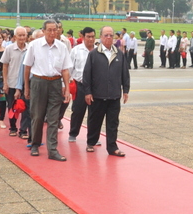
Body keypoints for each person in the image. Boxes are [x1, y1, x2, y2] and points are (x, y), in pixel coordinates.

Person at [23, 20, 71, 161]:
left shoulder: (62, 47)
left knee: (53, 118)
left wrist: (67, 88)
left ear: (58, 31)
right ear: (43, 31)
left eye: (54, 30)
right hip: (38, 82)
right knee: (37, 116)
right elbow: (27, 67)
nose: (52, 33)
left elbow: (65, 69)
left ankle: (53, 150)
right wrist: (27, 87)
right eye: (49, 30)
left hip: (55, 83)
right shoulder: (34, 45)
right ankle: (35, 144)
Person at [82, 26, 130, 156]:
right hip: (97, 95)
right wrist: (88, 92)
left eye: (111, 35)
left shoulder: (119, 54)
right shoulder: (93, 54)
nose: (109, 37)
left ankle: (112, 147)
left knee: (113, 123)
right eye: (106, 35)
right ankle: (91, 142)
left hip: (114, 96)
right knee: (94, 121)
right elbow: (87, 74)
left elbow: (125, 73)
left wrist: (125, 90)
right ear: (101, 37)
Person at [68, 27, 97, 143]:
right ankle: (73, 133)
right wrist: (67, 83)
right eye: (88, 37)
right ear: (83, 37)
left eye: (93, 37)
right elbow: (70, 68)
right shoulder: (76, 50)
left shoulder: (99, 50)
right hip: (80, 85)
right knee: (78, 111)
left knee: (94, 113)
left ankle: (93, 137)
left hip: (95, 87)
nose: (91, 39)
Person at [0, 26, 28, 136]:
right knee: (12, 106)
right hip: (12, 82)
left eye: (24, 35)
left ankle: (23, 130)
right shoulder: (9, 49)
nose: (22, 37)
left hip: (25, 84)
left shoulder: (30, 48)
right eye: (19, 35)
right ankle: (13, 127)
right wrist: (5, 83)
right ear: (15, 37)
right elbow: (5, 66)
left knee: (26, 107)